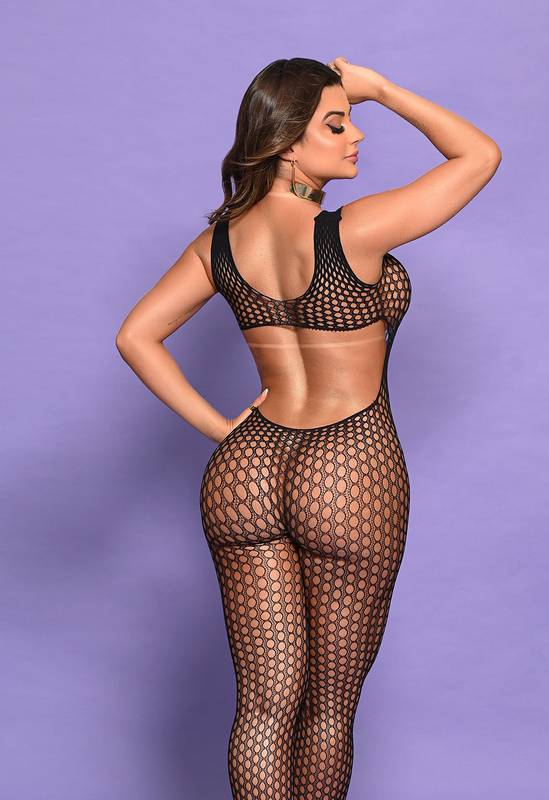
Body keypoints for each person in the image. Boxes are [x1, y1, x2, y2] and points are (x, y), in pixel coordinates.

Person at [116, 57, 501, 799]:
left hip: (247, 469)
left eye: (352, 118)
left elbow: (136, 336)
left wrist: (220, 429)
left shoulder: (219, 244)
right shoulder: (356, 231)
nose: (357, 135)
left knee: (262, 708)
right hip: (347, 464)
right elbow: (479, 155)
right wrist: (382, 89)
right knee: (326, 710)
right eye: (336, 124)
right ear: (288, 142)